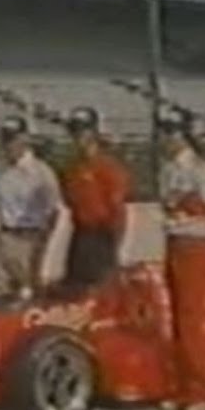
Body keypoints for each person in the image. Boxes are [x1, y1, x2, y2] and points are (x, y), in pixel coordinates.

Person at [158, 108, 205, 410]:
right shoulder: (166, 171)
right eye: (164, 132)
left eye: (172, 132)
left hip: (197, 247)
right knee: (175, 321)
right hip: (174, 244)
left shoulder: (202, 171)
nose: (166, 138)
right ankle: (183, 387)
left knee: (191, 322)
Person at [0, 115, 62, 302]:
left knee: (28, 292)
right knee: (2, 291)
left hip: (31, 236)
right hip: (7, 234)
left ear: (24, 139)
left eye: (13, 139)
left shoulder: (40, 172)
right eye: (5, 140)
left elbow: (53, 210)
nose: (8, 146)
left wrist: (42, 244)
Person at [59, 106, 131, 289]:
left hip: (102, 236)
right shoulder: (72, 169)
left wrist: (114, 246)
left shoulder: (108, 167)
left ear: (93, 132)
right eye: (75, 132)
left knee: (101, 290)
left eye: (83, 131)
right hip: (81, 235)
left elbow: (118, 211)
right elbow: (70, 202)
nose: (78, 138)